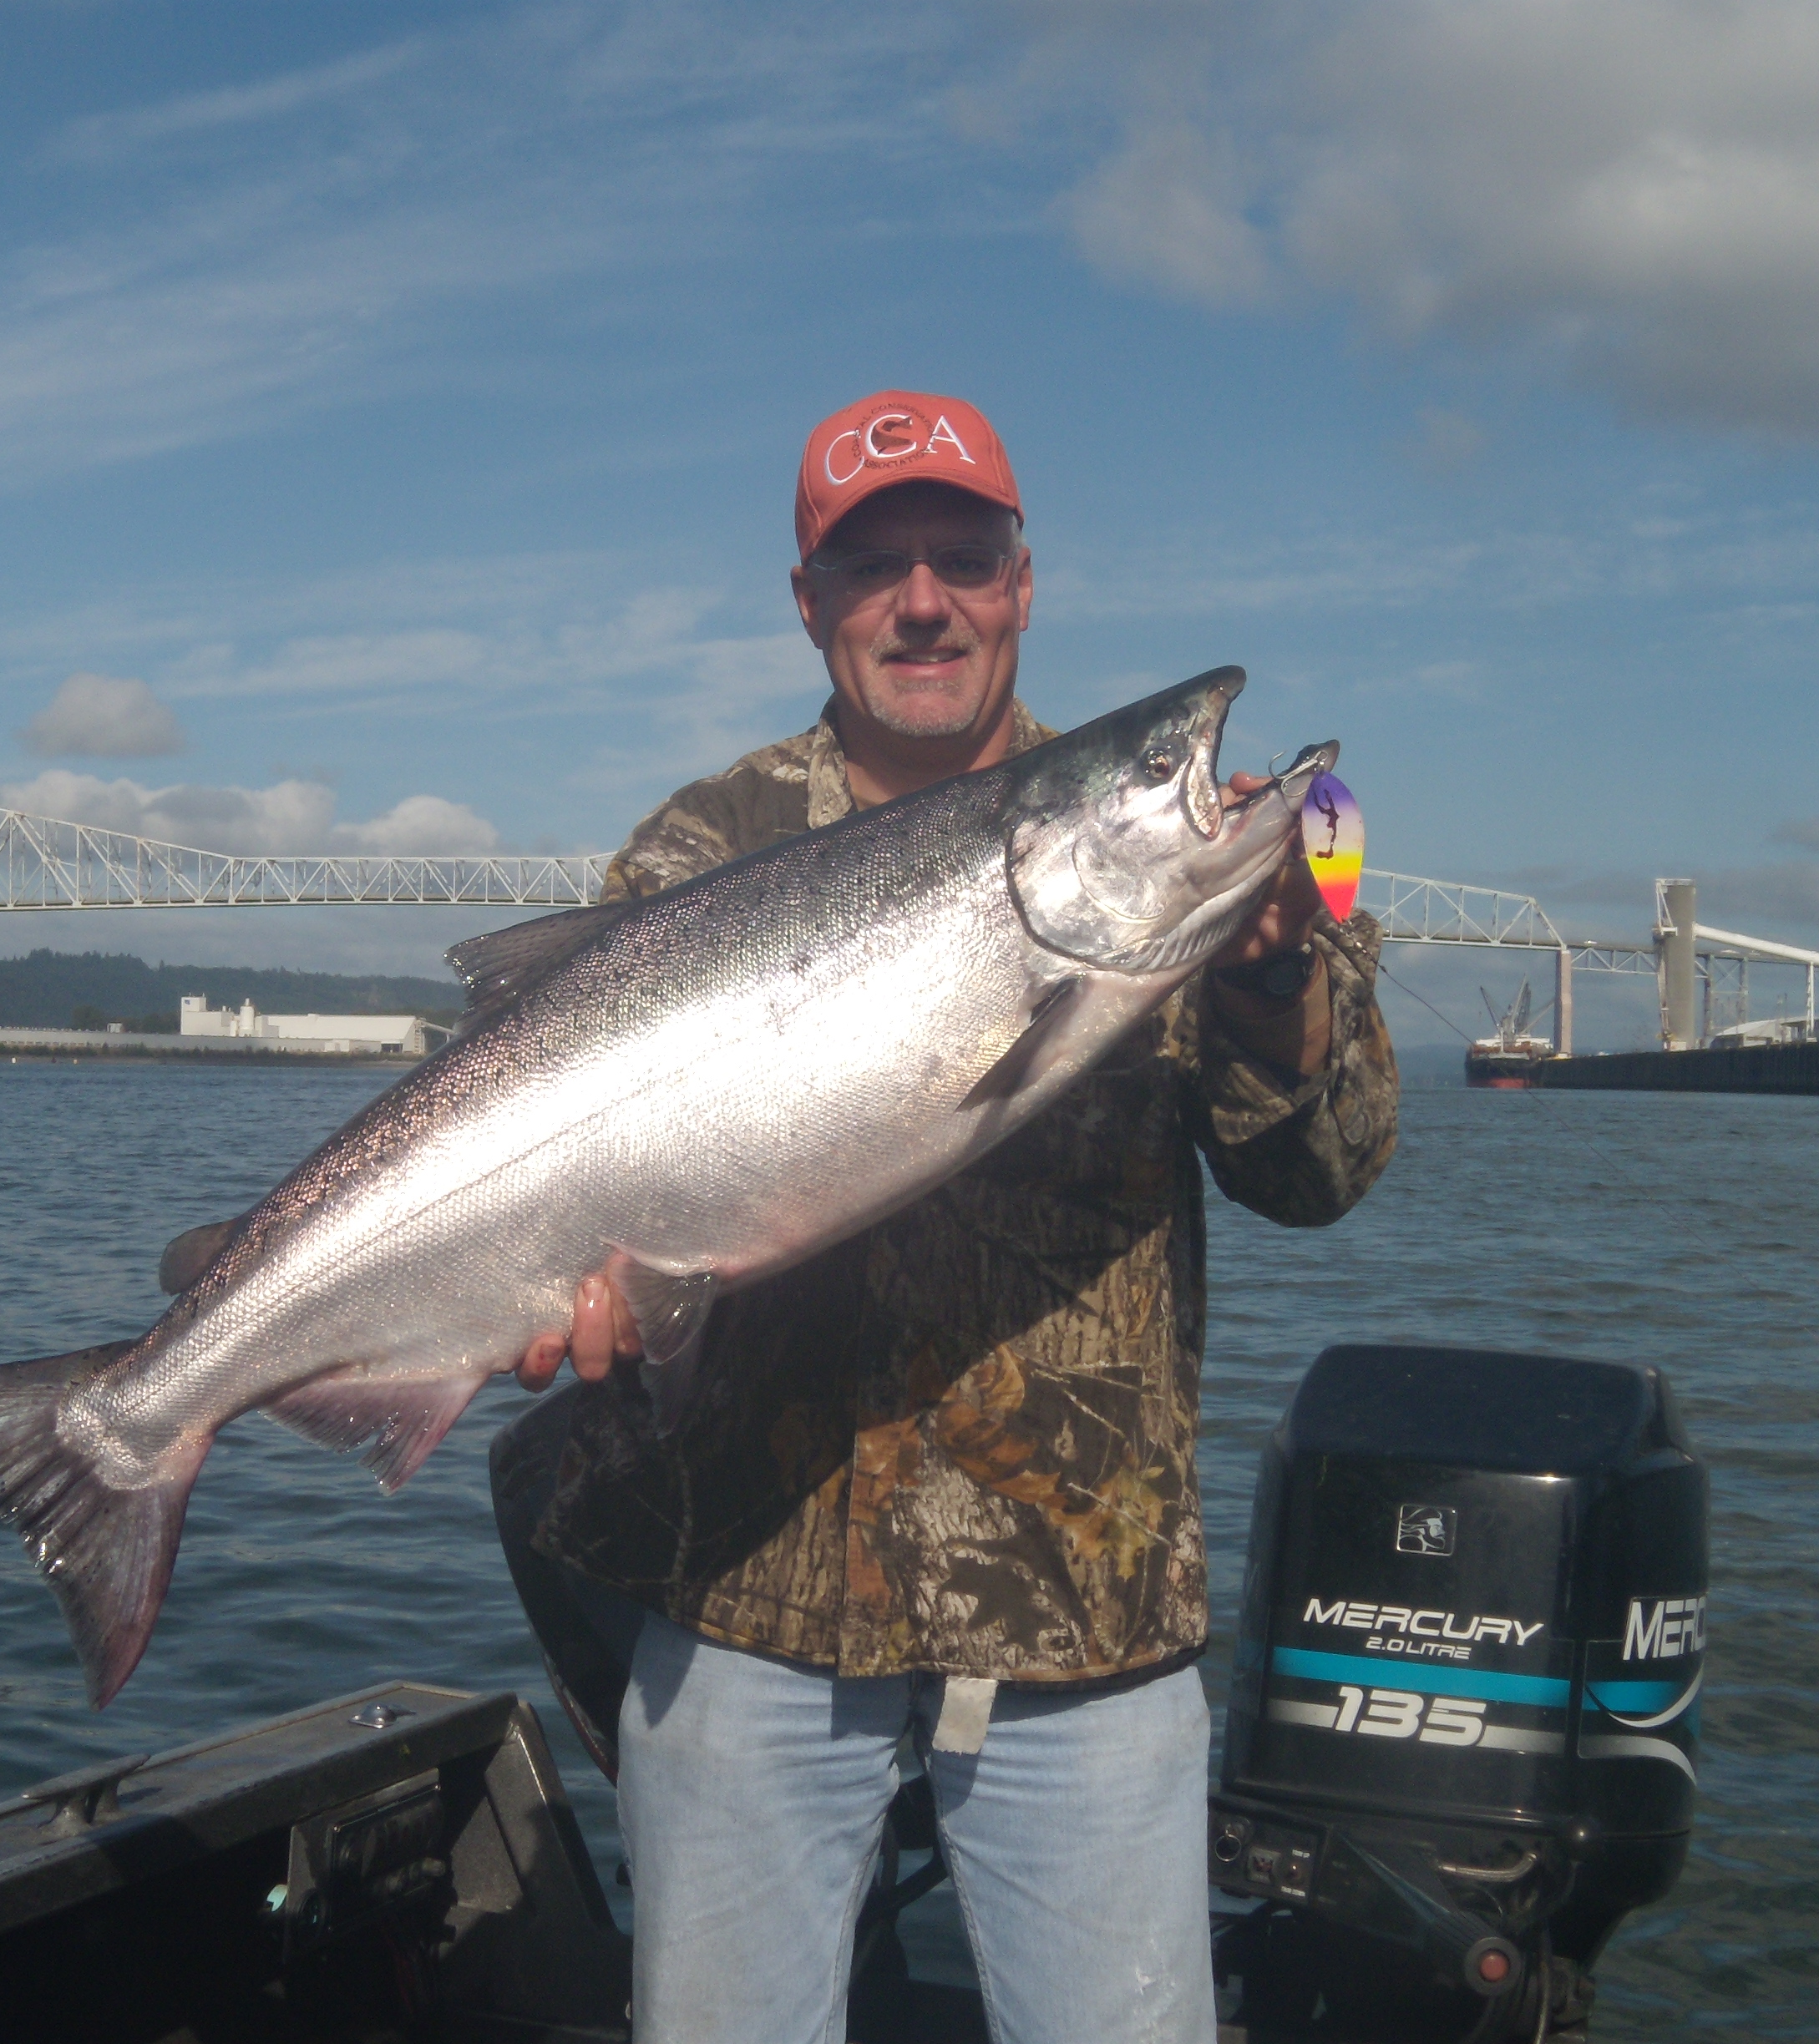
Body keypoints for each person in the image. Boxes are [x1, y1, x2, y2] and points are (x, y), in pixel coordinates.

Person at [512, 390, 1398, 2043]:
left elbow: (1321, 1177)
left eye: (965, 561)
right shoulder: (702, 850)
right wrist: (573, 1292)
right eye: (875, 568)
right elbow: (572, 1178)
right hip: (748, 1608)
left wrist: (1272, 980)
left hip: (1081, 1613)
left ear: (1023, 586)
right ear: (811, 604)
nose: (924, 604)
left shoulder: (1201, 862)